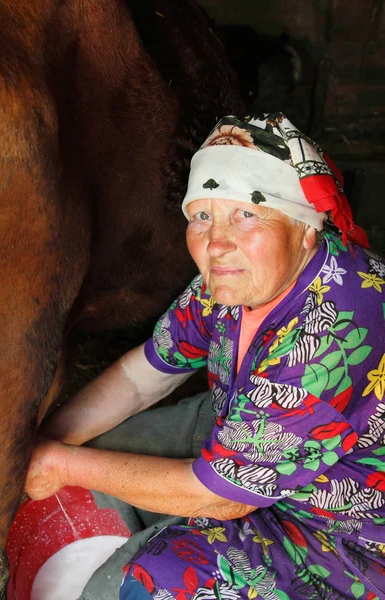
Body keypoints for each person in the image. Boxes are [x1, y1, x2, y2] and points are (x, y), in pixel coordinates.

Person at [25, 113, 385, 600]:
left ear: (305, 228)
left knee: (123, 587)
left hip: (339, 538)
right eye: (202, 216)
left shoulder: (337, 328)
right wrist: (46, 445)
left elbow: (219, 497)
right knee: (89, 453)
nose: (217, 243)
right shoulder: (230, 282)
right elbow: (142, 376)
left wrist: (62, 465)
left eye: (247, 214)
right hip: (237, 438)